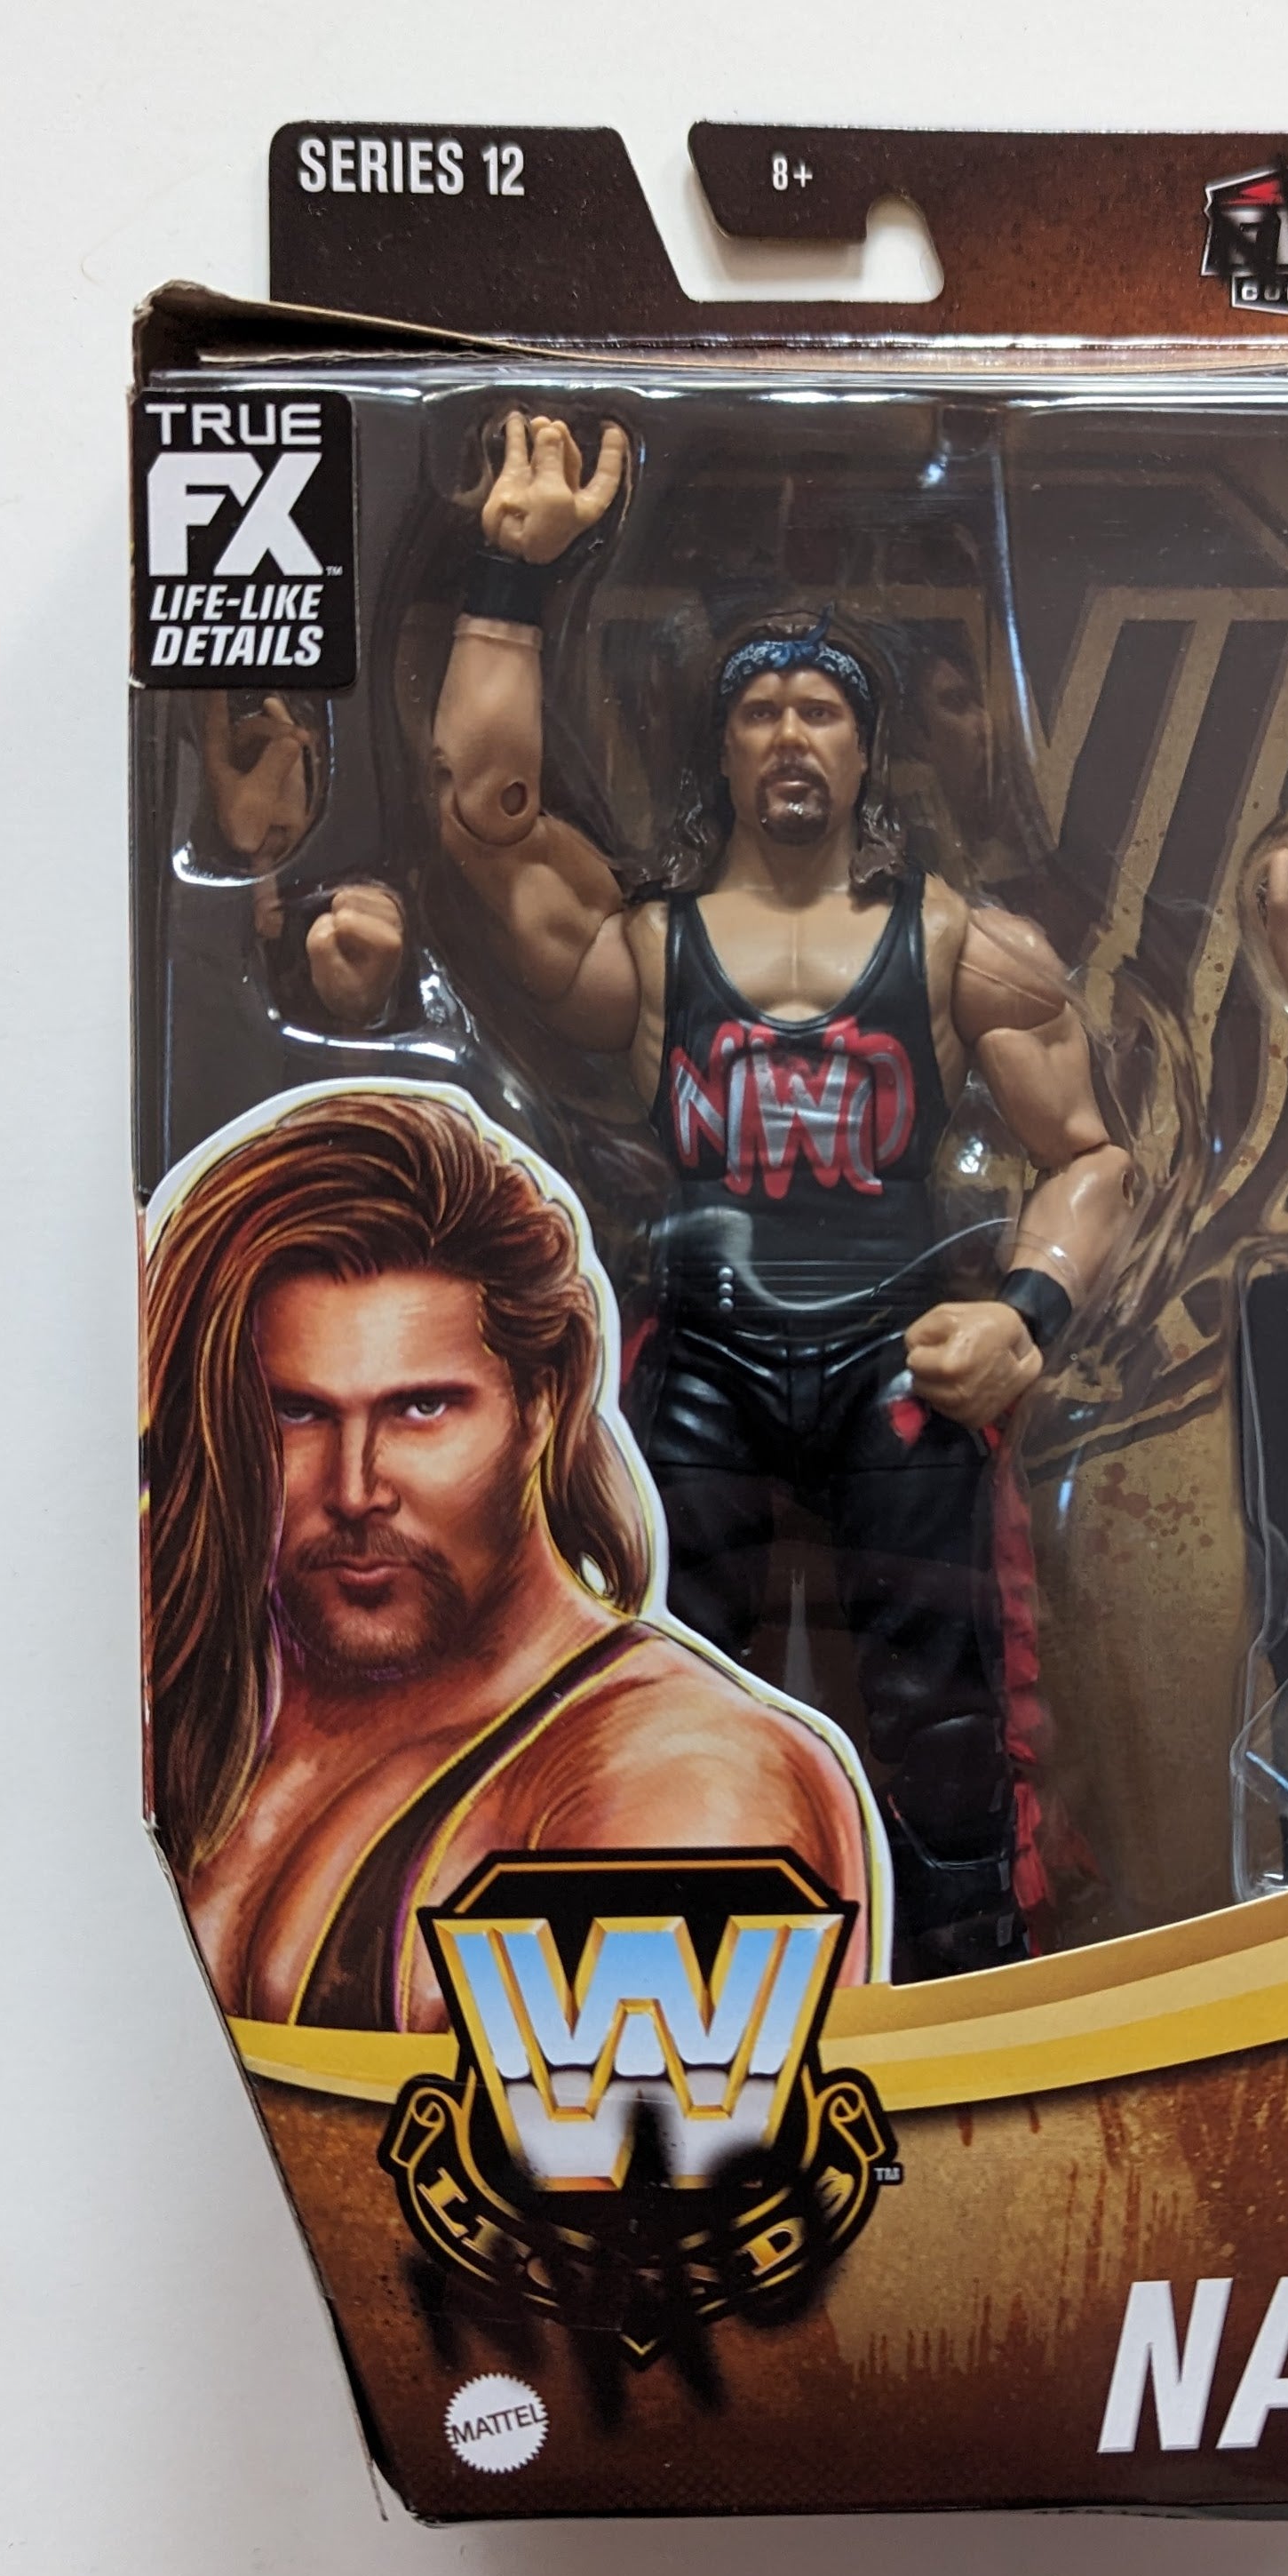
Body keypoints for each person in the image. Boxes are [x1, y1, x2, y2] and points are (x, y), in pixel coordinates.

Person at [425, 413, 1137, 1973]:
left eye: (821, 708)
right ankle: (652, 1974)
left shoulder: (961, 946)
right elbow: (483, 817)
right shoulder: (648, 946)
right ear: (725, 749)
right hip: (702, 1355)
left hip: (902, 1359)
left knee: (950, 1709)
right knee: (650, 1670)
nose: (791, 733)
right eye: (759, 711)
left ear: (866, 748)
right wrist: (510, 578)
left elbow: (1092, 1157)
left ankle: (973, 1982)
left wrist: (1025, 1316)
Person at [145, 1086, 885, 2032]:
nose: (356, 1487)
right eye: (299, 1411)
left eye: (422, 1408)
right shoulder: (206, 1699)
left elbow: (652, 2131)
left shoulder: (685, 1776)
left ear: (543, 1403)